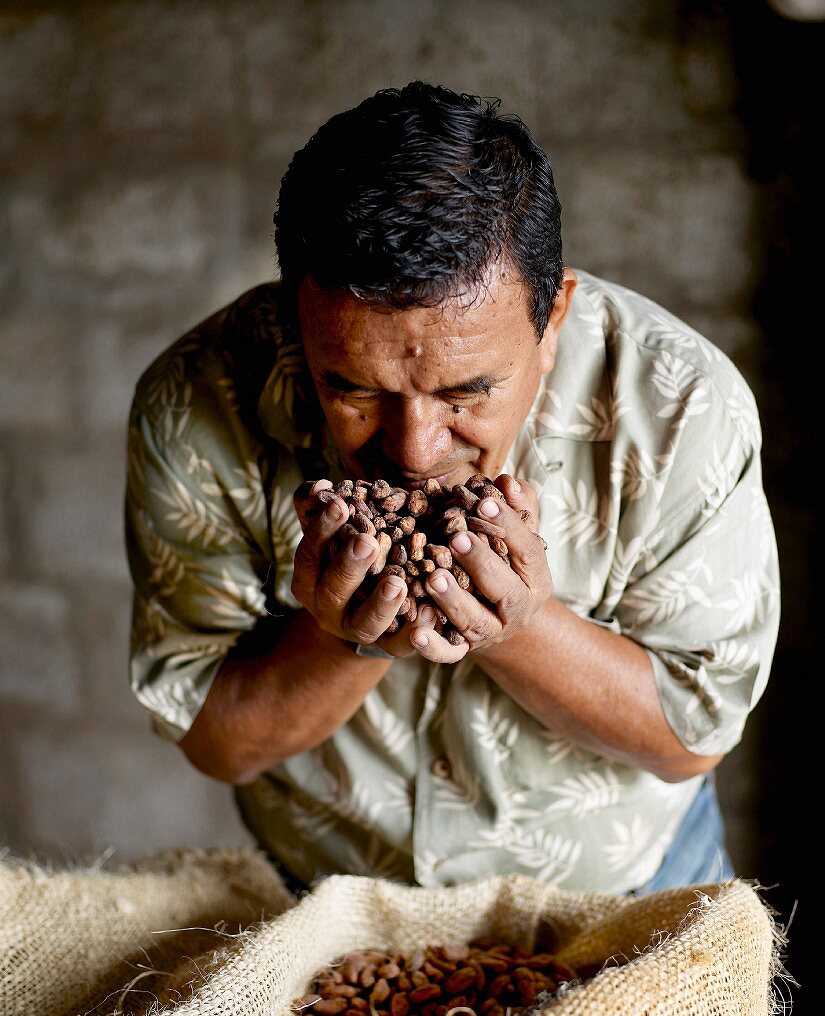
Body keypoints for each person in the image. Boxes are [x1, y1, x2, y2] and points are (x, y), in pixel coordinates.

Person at [125, 82, 780, 896]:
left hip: (625, 889)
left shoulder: (681, 406)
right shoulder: (197, 399)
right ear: (297, 324)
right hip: (328, 899)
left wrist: (521, 628)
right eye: (353, 391)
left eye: (467, 392)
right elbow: (215, 742)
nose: (413, 451)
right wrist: (339, 640)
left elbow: (692, 737)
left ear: (552, 324)